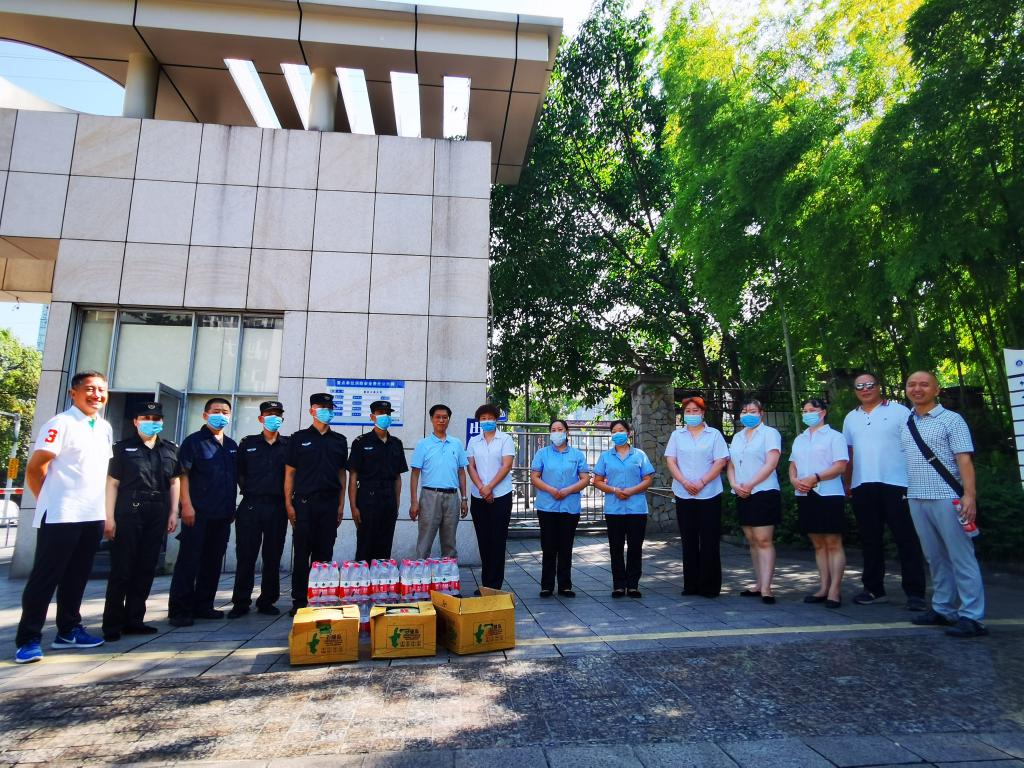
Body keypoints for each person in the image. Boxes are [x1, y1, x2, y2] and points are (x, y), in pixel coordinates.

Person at [15, 372, 113, 664]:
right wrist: (48, 498)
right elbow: (35, 467)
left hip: (91, 514)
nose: (96, 395)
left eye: (101, 390)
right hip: (61, 514)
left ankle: (68, 630)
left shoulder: (104, 427)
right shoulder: (60, 423)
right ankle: (28, 639)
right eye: (89, 389)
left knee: (77, 576)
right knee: (46, 577)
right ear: (74, 393)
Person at [900, 371, 987, 638]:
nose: (917, 389)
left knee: (961, 557)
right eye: (912, 384)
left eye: (924, 384)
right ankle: (943, 608)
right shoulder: (907, 422)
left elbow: (964, 460)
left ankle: (972, 616)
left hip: (948, 497)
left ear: (936, 390)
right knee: (935, 557)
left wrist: (969, 495)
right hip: (916, 497)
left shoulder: (952, 420)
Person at [842, 373, 927, 610]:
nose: (865, 389)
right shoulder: (850, 418)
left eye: (870, 384)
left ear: (879, 387)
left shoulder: (900, 411)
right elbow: (849, 454)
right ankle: (874, 589)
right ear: (855, 390)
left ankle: (915, 593)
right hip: (862, 484)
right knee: (870, 539)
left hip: (897, 483)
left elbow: (915, 446)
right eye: (860, 386)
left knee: (906, 538)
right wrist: (847, 484)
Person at [102, 401, 181, 641]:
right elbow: (112, 484)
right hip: (128, 511)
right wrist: (109, 517)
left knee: (146, 567)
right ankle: (112, 624)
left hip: (157, 511)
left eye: (156, 419)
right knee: (122, 569)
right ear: (136, 422)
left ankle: (135, 619)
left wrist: (173, 512)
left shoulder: (169, 449)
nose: (151, 422)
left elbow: (174, 481)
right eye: (145, 418)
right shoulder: (121, 449)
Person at [168, 398, 238, 627]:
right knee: (189, 562)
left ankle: (204, 605)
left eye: (225, 412)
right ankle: (180, 610)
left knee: (213, 561)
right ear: (205, 415)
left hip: (222, 513)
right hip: (197, 513)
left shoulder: (231, 445)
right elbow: (183, 475)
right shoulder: (194, 442)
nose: (221, 415)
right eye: (216, 411)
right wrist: (186, 505)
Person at [285, 393, 348, 616]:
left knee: (324, 554)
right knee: (302, 554)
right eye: (322, 407)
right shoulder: (298, 438)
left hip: (329, 504)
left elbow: (342, 474)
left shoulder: (339, 440)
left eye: (330, 408)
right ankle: (299, 600)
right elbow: (290, 473)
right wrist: (288, 504)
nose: (326, 411)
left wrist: (341, 505)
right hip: (304, 504)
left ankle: (321, 598)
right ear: (312, 411)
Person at [229, 400, 289, 619]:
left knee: (273, 556)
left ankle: (267, 600)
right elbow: (239, 473)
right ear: (261, 418)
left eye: (277, 414)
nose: (274, 418)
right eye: (269, 414)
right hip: (251, 505)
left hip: (277, 506)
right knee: (246, 555)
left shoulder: (288, 445)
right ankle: (241, 602)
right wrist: (250, 490)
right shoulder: (248, 444)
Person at [665, 396, 729, 598]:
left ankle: (710, 586)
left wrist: (702, 482)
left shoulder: (714, 434)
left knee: (709, 539)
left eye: (696, 411)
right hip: (683, 493)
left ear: (703, 413)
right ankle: (691, 584)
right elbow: (671, 461)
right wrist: (684, 482)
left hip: (709, 493)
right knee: (688, 539)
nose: (692, 414)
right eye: (688, 411)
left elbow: (720, 461)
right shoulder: (677, 435)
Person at [789, 398, 849, 608]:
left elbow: (840, 466)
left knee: (833, 542)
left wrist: (815, 477)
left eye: (812, 410)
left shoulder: (835, 437)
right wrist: (794, 480)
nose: (807, 414)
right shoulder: (800, 438)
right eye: (804, 410)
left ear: (823, 412)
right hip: (805, 494)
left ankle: (835, 590)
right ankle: (823, 587)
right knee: (818, 543)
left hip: (829, 494)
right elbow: (793, 464)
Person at [726, 399, 783, 604]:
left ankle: (767, 588)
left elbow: (771, 463)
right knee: (752, 540)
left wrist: (750, 484)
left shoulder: (770, 434)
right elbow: (731, 464)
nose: (747, 414)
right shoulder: (738, 436)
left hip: (763, 491)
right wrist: (734, 484)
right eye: (744, 411)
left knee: (764, 540)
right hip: (741, 492)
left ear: (761, 413)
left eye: (752, 411)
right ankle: (759, 583)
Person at [593, 420, 655, 598]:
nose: (617, 433)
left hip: (637, 508)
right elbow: (597, 481)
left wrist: (631, 491)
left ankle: (633, 585)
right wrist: (614, 490)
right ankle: (619, 585)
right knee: (616, 548)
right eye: (614, 431)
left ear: (628, 433)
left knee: (635, 547)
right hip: (614, 509)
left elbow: (648, 479)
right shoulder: (605, 456)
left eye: (621, 430)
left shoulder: (639, 455)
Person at [530, 419, 591, 598]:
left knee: (566, 546)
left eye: (560, 429)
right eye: (554, 429)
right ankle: (547, 585)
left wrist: (567, 491)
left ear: (567, 432)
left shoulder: (577, 455)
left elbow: (585, 479)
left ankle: (565, 585)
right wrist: (551, 490)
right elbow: (535, 477)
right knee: (548, 546)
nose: (557, 432)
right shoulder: (542, 453)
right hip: (547, 506)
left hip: (569, 507)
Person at [348, 400, 408, 561]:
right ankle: (362, 576)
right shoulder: (361, 442)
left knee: (385, 546)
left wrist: (396, 503)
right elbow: (353, 476)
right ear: (372, 417)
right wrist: (353, 507)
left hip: (389, 499)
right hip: (367, 499)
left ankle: (381, 577)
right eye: (381, 413)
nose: (385, 416)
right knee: (365, 545)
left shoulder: (396, 444)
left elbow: (398, 477)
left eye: (387, 413)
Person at [409, 404, 469, 560]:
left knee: (450, 543)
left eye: (445, 417)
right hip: (430, 496)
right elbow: (415, 474)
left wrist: (464, 499)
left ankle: (449, 574)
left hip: (452, 497)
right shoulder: (423, 444)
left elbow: (461, 472)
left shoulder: (456, 443)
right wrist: (414, 502)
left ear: (448, 420)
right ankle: (420, 573)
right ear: (431, 419)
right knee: (425, 541)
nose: (441, 420)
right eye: (438, 417)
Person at [466, 404, 516, 593]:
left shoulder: (505, 439)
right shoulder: (473, 441)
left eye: (490, 418)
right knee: (483, 540)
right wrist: (482, 488)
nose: (487, 421)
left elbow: (506, 465)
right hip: (478, 496)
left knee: (497, 540)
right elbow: (470, 466)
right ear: (479, 421)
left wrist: (490, 487)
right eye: (483, 418)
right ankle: (485, 584)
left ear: (496, 419)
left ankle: (495, 585)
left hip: (501, 495)